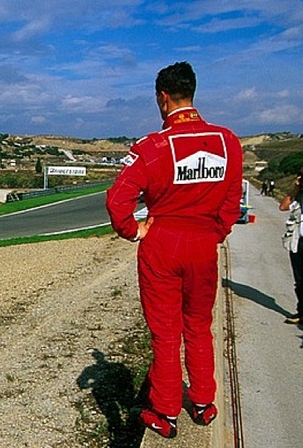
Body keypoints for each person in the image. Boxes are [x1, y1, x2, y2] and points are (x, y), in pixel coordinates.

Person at [105, 61, 243, 439]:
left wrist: (135, 230)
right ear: (192, 93)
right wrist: (216, 231)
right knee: (199, 325)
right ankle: (203, 402)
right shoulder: (228, 141)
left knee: (166, 332)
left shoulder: (151, 147)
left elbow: (118, 201)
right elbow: (233, 200)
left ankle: (165, 412)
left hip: (163, 243)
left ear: (163, 98)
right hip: (203, 243)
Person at [279, 166, 303, 334]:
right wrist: (296, 188)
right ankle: (302, 312)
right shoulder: (298, 195)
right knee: (300, 281)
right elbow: (282, 207)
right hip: (297, 243)